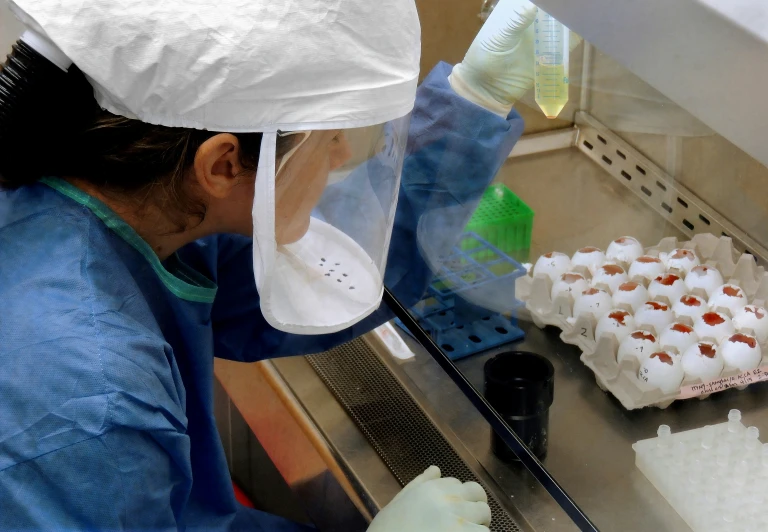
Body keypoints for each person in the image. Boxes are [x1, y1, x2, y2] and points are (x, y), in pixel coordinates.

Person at [0, 0, 542, 530]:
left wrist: (475, 98)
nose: (338, 159)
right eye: (328, 138)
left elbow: (326, 270)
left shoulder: (143, 207)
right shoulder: (87, 402)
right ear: (224, 163)